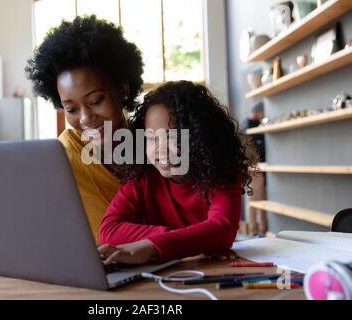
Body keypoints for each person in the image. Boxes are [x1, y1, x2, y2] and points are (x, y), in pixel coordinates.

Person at [98, 81, 258, 265]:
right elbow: (108, 231)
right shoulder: (142, 174)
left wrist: (151, 246)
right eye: (151, 138)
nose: (161, 149)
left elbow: (222, 229)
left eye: (173, 137)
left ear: (200, 138)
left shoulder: (222, 173)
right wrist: (195, 242)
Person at [26, 16, 144, 242]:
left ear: (123, 89)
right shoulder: (60, 158)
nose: (86, 118)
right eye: (71, 109)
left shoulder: (153, 142)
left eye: (96, 101)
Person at [242, 102, 267, 236]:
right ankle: (256, 230)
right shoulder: (251, 127)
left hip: (252, 167)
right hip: (254, 167)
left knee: (254, 200)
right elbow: (255, 151)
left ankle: (257, 230)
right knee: (256, 200)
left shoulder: (246, 126)